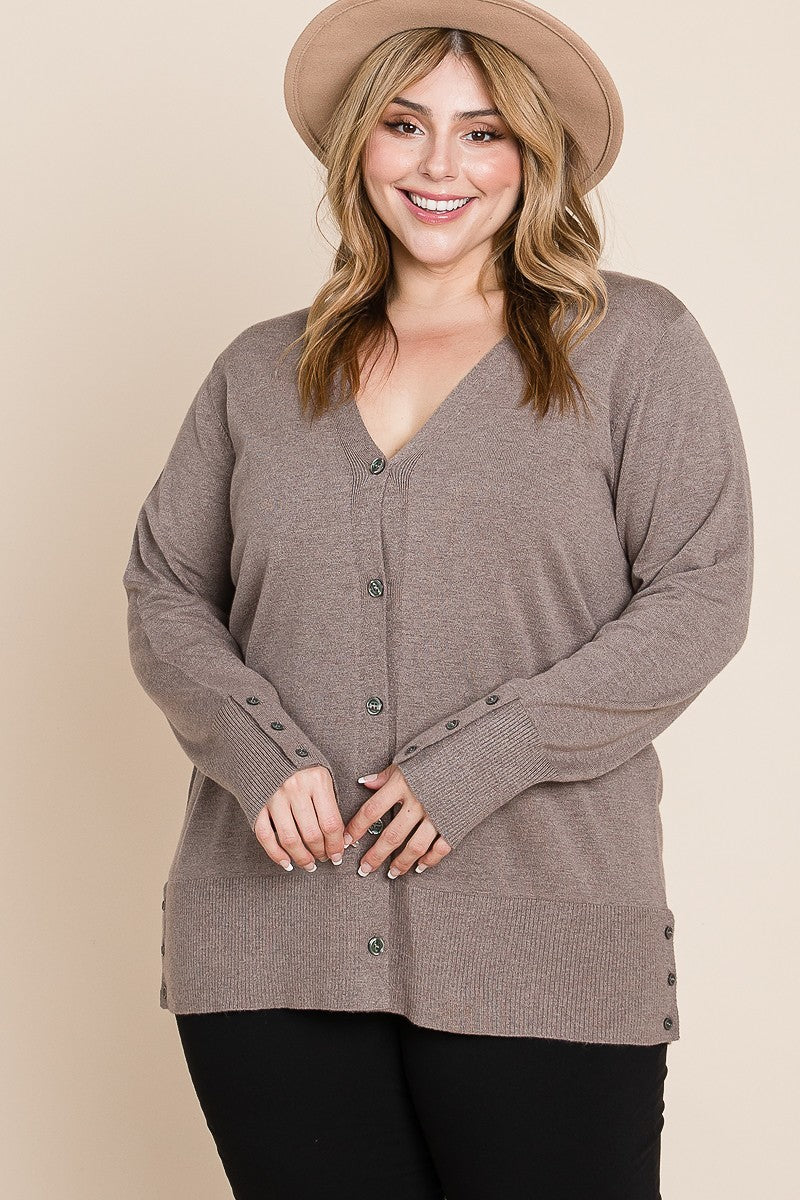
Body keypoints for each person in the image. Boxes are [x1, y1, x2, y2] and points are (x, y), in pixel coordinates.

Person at [121, 2, 754, 1198]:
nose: (440, 166)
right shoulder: (259, 370)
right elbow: (164, 590)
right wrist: (259, 753)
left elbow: (697, 596)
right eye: (405, 125)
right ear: (359, 143)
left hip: (542, 935)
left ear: (531, 156)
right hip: (273, 940)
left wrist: (475, 761)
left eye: (483, 132)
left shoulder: (633, 343)